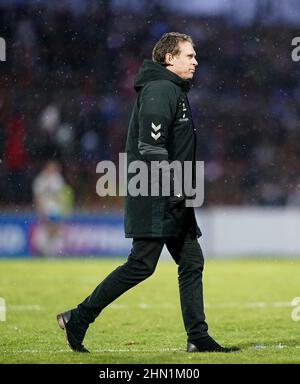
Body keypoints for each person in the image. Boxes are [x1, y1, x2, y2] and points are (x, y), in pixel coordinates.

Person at [57, 32, 239, 353]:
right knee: (141, 264)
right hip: (158, 193)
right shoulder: (160, 90)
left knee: (192, 261)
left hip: (173, 192)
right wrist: (172, 186)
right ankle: (79, 318)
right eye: (189, 55)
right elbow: (149, 146)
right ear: (169, 59)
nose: (195, 61)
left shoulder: (172, 90)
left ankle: (197, 336)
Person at [32, 160, 73, 256]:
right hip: (46, 207)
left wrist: (65, 208)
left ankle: (51, 251)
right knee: (47, 228)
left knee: (56, 229)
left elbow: (62, 196)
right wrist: (40, 210)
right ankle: (41, 250)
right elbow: (38, 197)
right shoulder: (40, 180)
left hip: (56, 208)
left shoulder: (57, 178)